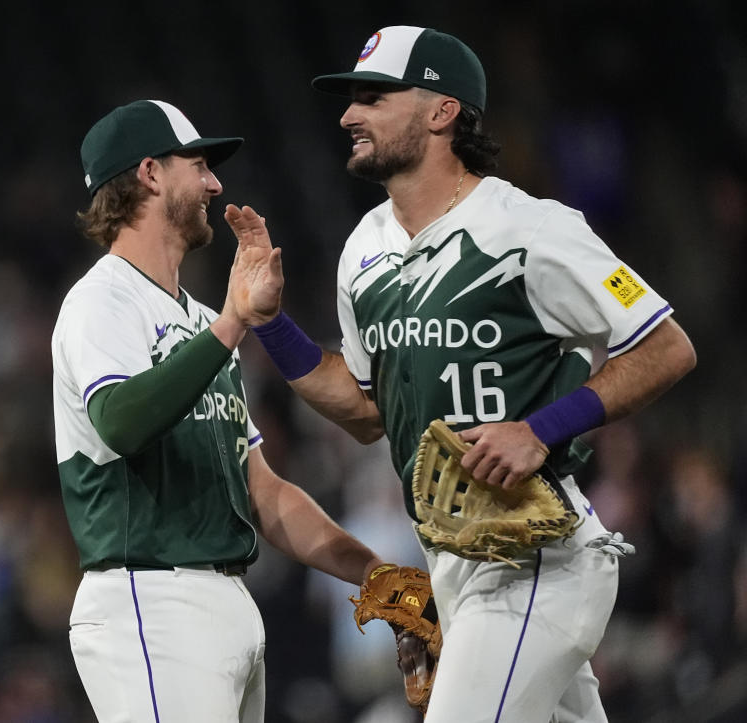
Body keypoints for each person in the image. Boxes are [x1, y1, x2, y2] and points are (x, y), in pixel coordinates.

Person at [223, 26, 697, 723]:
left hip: (536, 560)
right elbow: (361, 410)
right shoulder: (364, 250)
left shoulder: (529, 227)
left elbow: (667, 346)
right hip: (453, 565)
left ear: (442, 111)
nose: (351, 115)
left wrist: (540, 428)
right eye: (352, 99)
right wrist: (270, 324)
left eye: (375, 97)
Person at [50, 99, 386, 723]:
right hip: (148, 600)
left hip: (227, 601)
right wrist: (234, 323)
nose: (214, 183)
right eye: (199, 164)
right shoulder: (100, 300)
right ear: (150, 173)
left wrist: (377, 579)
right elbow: (121, 423)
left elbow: (264, 493)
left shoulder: (202, 321)